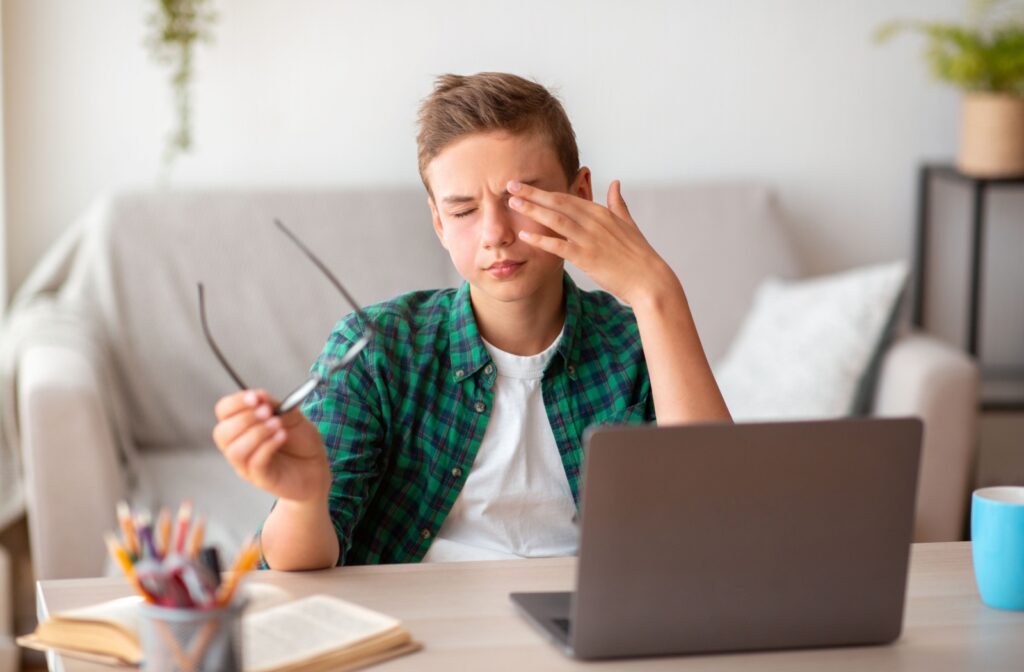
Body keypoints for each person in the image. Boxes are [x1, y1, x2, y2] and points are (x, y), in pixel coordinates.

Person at [211, 72, 731, 571]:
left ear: (579, 194)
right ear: (438, 221)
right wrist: (302, 499)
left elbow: (718, 524)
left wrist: (656, 291)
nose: (495, 233)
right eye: (463, 211)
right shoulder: (378, 350)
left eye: (518, 199)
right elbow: (302, 561)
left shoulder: (637, 341)